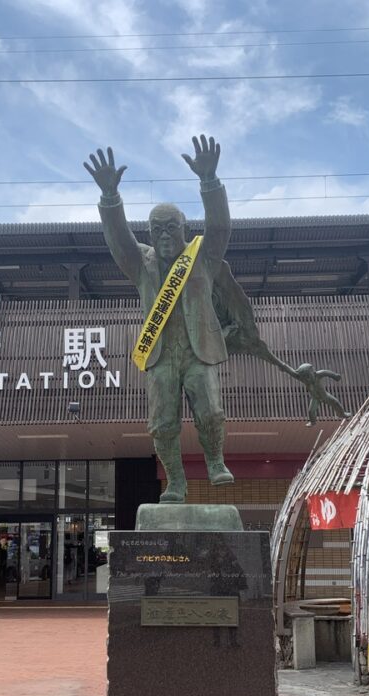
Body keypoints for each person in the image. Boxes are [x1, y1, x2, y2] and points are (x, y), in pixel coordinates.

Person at [86, 136, 234, 502]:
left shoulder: (203, 258)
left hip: (198, 351)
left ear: (184, 228)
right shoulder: (142, 264)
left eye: (171, 227)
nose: (164, 234)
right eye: (157, 229)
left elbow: (219, 227)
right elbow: (118, 239)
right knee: (163, 424)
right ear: (149, 234)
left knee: (212, 411)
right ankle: (176, 483)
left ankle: (215, 461)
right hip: (161, 355)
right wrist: (110, 198)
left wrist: (209, 182)